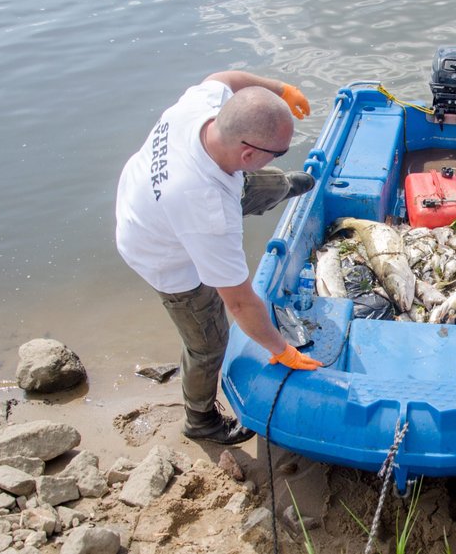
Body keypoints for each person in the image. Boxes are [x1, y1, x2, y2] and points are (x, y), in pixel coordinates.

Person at [116, 71, 323, 445]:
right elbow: (241, 303)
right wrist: (282, 349)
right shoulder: (210, 212)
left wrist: (282, 90)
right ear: (248, 153)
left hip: (149, 192)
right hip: (158, 249)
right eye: (277, 153)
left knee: (266, 184)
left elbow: (224, 76)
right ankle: (201, 422)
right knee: (208, 342)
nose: (280, 154)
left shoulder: (202, 106)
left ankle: (286, 186)